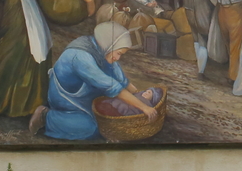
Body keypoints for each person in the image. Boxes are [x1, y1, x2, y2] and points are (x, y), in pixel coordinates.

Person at [28, 23, 156, 140]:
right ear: (110, 45)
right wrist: (144, 107)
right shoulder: (81, 56)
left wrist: (138, 95)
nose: (117, 58)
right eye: (118, 53)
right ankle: (47, 117)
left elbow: (122, 82)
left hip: (87, 98)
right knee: (92, 128)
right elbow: (114, 88)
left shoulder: (105, 51)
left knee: (111, 116)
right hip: (67, 100)